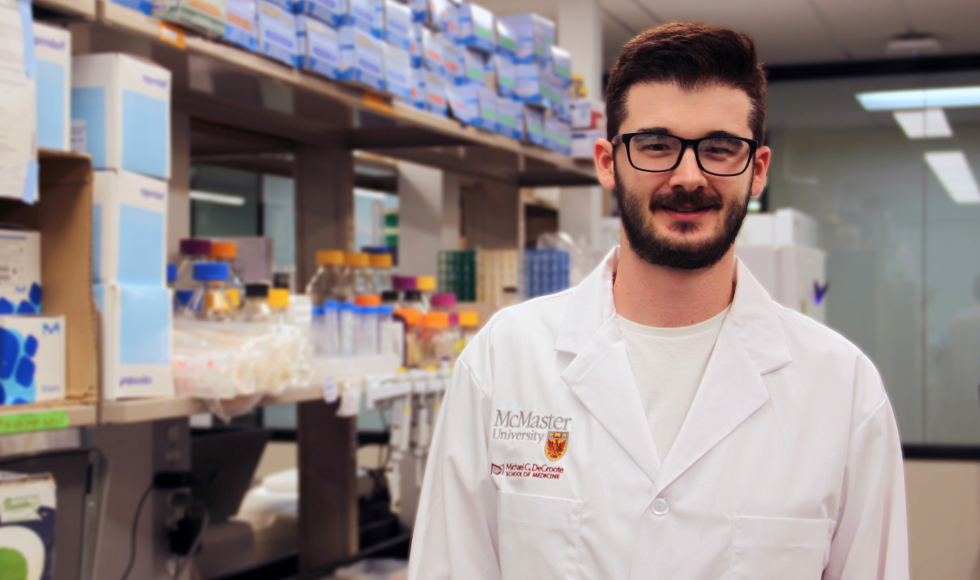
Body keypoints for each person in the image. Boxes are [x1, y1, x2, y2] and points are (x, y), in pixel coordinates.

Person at [408, 22, 909, 580]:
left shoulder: (843, 390)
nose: (688, 176)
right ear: (607, 161)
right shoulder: (504, 361)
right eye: (656, 146)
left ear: (758, 170)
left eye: (720, 148)